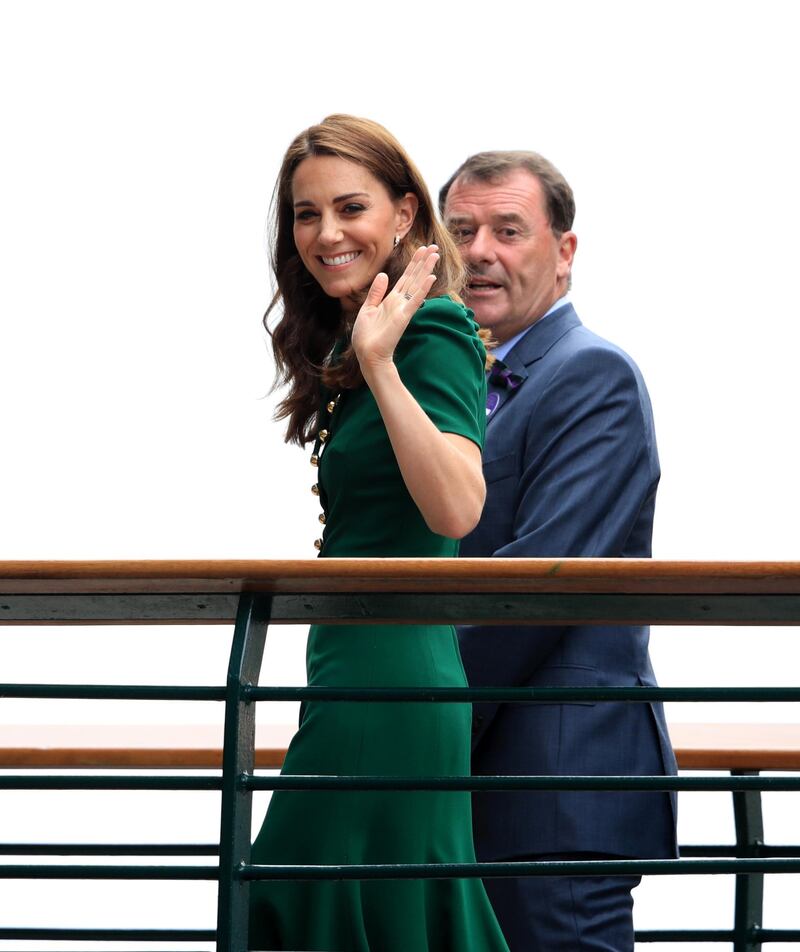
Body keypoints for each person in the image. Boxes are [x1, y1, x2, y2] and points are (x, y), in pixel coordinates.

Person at [247, 116, 510, 952]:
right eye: (305, 213)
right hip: (354, 669)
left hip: (392, 680)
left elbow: (458, 509)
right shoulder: (357, 339)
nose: (326, 233)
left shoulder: (426, 332)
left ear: (403, 214)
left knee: (300, 901)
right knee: (335, 909)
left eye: (349, 207)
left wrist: (384, 366)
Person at [440, 151, 678, 952]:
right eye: (462, 230)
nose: (480, 252)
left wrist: (418, 720)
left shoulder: (593, 376)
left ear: (564, 252)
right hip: (473, 784)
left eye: (509, 231)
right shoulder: (452, 388)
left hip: (554, 784)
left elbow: (541, 584)